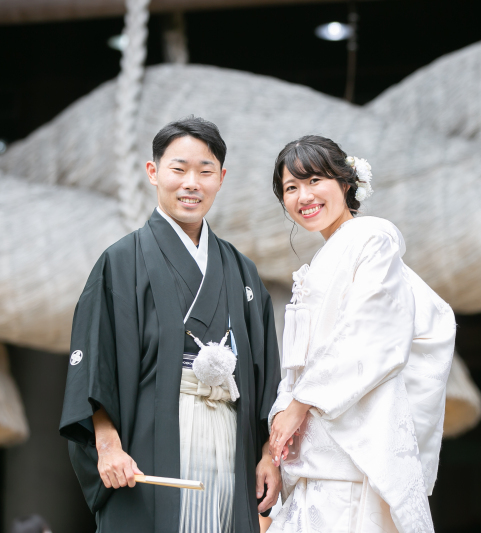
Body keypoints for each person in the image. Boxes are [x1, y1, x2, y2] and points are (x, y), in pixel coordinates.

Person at [59, 117, 282, 533]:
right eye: (178, 169)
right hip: (151, 445)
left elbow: (267, 375)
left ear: (221, 178)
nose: (191, 183)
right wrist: (107, 448)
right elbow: (95, 369)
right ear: (153, 172)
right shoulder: (120, 263)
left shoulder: (241, 270)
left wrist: (268, 454)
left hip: (230, 444)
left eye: (205, 171)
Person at [266, 136, 455, 532]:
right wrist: (281, 421)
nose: (304, 196)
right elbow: (299, 365)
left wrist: (299, 406)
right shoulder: (321, 261)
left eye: (315, 179)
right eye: (291, 188)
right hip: (313, 455)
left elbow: (373, 333)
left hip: (352, 454)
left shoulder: (372, 239)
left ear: (346, 182)